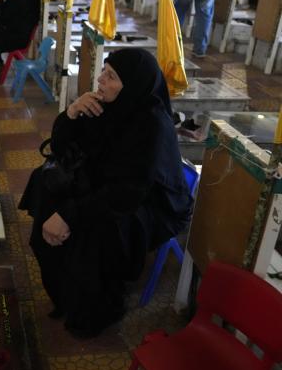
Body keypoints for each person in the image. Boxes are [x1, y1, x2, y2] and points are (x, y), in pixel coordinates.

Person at [19, 49, 193, 339]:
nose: (100, 80)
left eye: (111, 76)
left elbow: (128, 192)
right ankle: (63, 287)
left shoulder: (151, 125)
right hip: (113, 185)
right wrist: (71, 114)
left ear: (133, 84)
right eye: (104, 70)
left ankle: (96, 309)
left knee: (99, 230)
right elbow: (62, 150)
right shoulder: (105, 105)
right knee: (46, 183)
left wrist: (69, 215)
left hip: (149, 204)